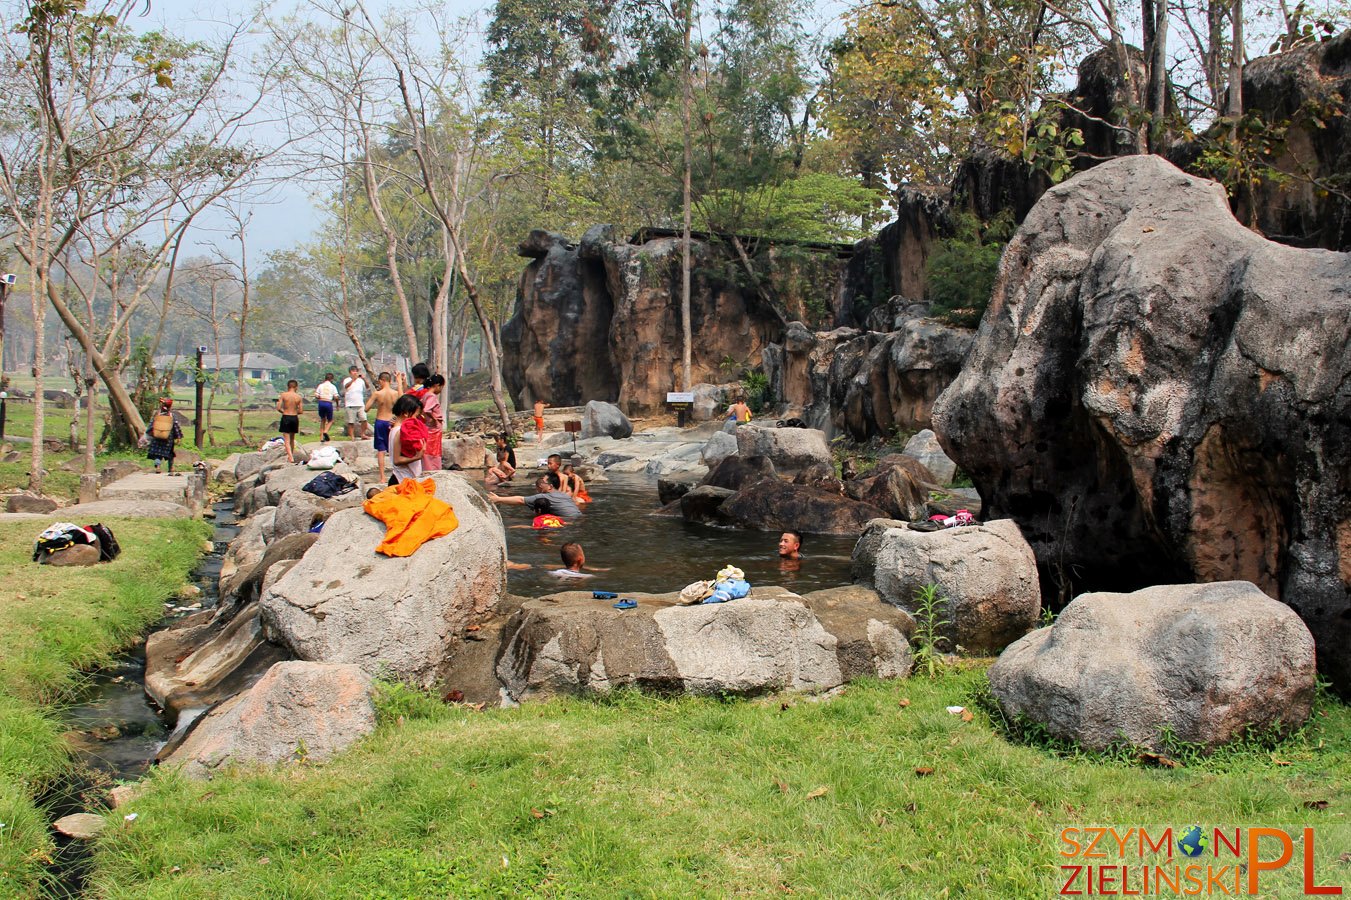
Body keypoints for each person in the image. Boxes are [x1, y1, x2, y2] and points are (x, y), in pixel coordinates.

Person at [488, 474, 581, 519]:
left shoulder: (544, 497)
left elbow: (520, 500)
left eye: (543, 482)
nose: (540, 484)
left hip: (568, 522)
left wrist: (498, 499)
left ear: (550, 486)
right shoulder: (565, 495)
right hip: (579, 518)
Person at [365, 372, 400, 484]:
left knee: (381, 450)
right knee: (394, 449)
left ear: (381, 380)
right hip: (391, 422)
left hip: (380, 421)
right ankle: (396, 474)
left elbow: (366, 408)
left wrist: (377, 403)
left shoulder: (377, 393)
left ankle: (382, 477)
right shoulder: (395, 394)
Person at [388, 394, 426, 484]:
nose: (417, 419)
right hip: (402, 480)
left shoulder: (396, 429)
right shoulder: (400, 431)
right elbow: (397, 460)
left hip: (405, 478)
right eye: (416, 416)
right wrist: (417, 457)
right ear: (406, 413)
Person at [145, 397, 182, 475]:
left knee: (157, 453)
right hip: (168, 438)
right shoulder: (172, 415)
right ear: (170, 406)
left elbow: (152, 425)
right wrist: (178, 436)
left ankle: (158, 467)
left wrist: (149, 433)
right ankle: (171, 468)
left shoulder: (157, 414)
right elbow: (175, 426)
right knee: (170, 453)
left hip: (157, 437)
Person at [418, 374, 445, 471]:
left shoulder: (425, 395)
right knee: (433, 451)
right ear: (437, 385)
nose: (441, 390)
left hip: (429, 427)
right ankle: (433, 469)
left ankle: (429, 468)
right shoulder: (431, 396)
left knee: (429, 450)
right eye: (441, 387)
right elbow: (426, 410)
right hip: (433, 429)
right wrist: (434, 419)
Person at [275, 379, 304, 463]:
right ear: (296, 387)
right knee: (292, 439)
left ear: (288, 386)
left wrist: (284, 412)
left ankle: (290, 457)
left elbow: (278, 407)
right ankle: (291, 455)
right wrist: (295, 412)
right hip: (294, 417)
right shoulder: (298, 397)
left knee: (286, 440)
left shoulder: (283, 395)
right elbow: (301, 411)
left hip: (286, 416)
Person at [341, 366, 368, 439]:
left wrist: (364, 378)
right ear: (350, 372)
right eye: (353, 371)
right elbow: (346, 386)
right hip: (350, 404)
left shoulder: (360, 381)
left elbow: (367, 387)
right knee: (351, 422)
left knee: (364, 420)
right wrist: (353, 379)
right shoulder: (347, 380)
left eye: (356, 371)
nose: (355, 372)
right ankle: (352, 436)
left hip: (360, 403)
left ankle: (363, 434)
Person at [313, 373, 338, 441]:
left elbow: (316, 395)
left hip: (321, 402)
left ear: (325, 378)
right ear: (332, 379)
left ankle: (321, 437)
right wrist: (337, 405)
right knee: (330, 420)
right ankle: (325, 431)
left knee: (323, 420)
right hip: (328, 403)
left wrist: (320, 397)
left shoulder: (320, 386)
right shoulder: (333, 386)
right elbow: (336, 397)